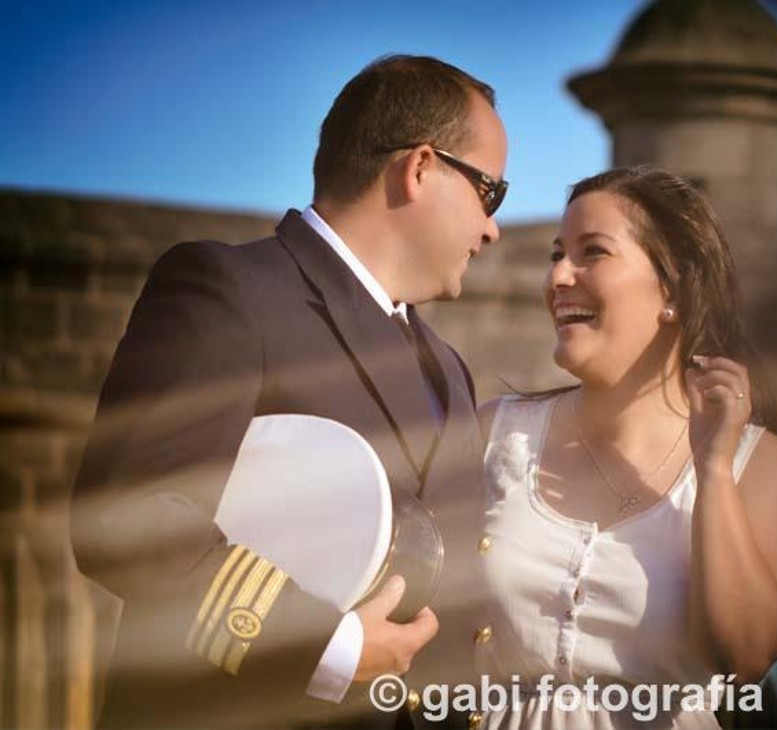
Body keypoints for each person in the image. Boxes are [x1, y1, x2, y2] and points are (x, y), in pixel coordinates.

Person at [70, 54, 508, 729]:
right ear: (420, 168)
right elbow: (126, 522)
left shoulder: (449, 368)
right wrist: (325, 648)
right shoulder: (230, 290)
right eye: (491, 192)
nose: (493, 228)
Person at [473, 167, 777, 729]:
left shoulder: (759, 461)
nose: (557, 275)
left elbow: (746, 658)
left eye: (591, 253)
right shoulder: (494, 436)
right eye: (557, 253)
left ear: (672, 290)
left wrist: (714, 469)